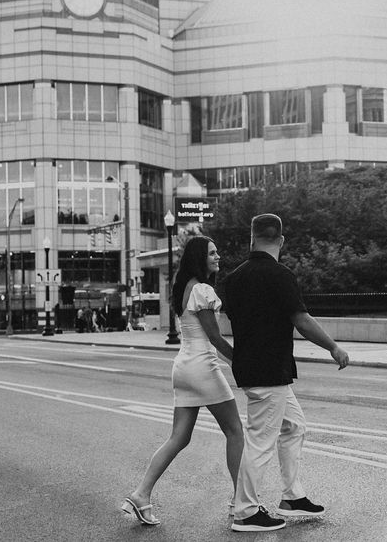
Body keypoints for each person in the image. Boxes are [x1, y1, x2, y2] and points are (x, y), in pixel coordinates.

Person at [219, 213, 350, 533]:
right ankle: (246, 511)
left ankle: (292, 496)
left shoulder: (232, 279)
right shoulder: (281, 275)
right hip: (270, 370)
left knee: (294, 426)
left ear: (251, 239)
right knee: (261, 441)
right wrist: (333, 347)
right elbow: (301, 319)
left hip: (254, 368)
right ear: (281, 240)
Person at [122, 236, 244, 526]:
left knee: (179, 437)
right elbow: (214, 337)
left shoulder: (184, 288)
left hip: (183, 367)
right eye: (212, 253)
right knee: (235, 431)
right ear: (199, 258)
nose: (218, 257)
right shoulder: (202, 289)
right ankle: (243, 502)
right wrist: (240, 363)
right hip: (203, 367)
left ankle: (141, 494)